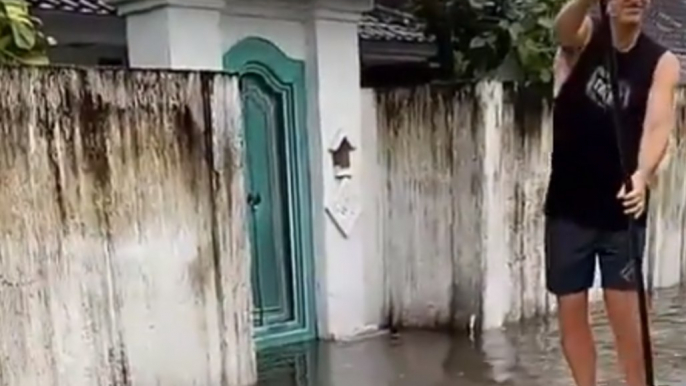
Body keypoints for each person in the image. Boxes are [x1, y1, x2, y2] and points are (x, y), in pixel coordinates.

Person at [545, 1, 681, 386]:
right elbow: (562, 30)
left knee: (628, 321)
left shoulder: (662, 61)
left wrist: (642, 174)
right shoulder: (586, 38)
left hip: (623, 209)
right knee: (571, 313)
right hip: (568, 207)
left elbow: (657, 126)